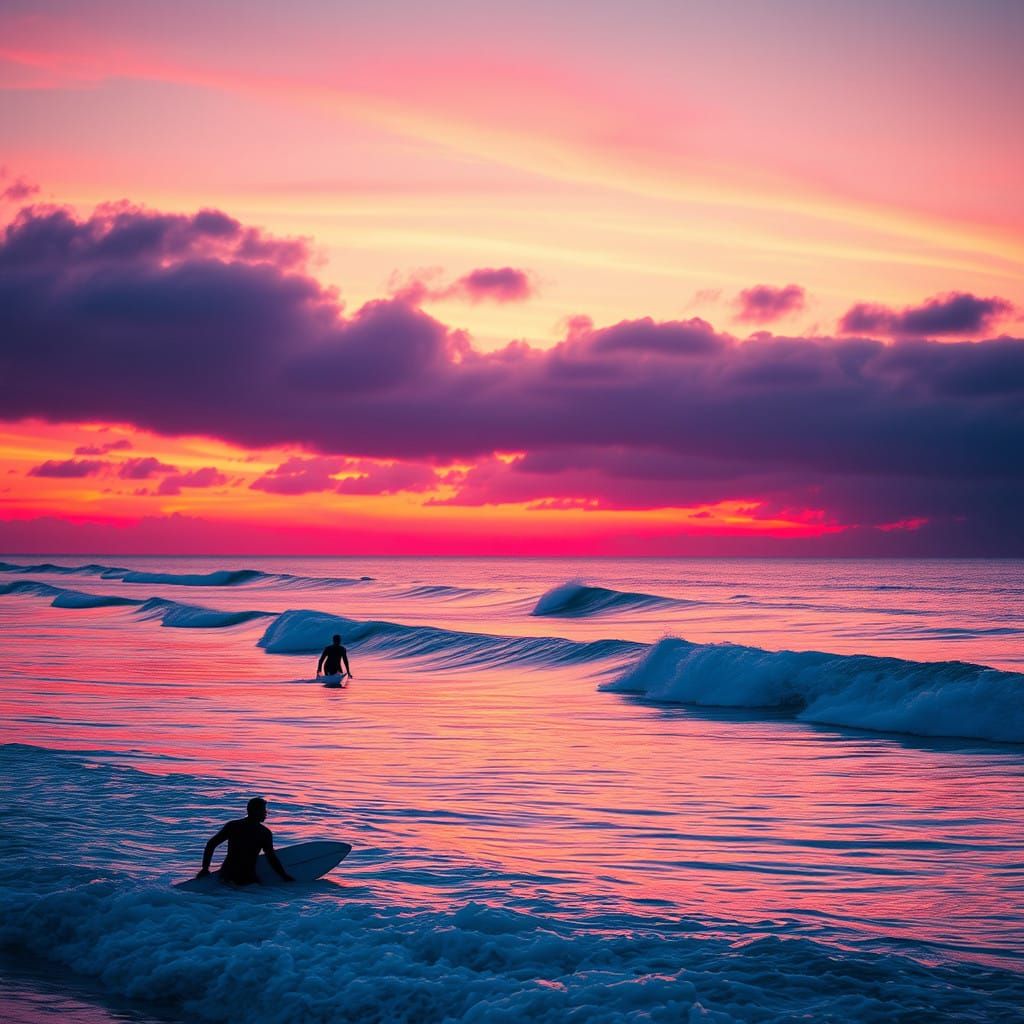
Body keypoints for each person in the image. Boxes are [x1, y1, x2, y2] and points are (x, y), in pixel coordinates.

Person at [197, 797, 294, 884]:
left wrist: (205, 868)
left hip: (227, 874)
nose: (266, 813)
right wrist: (283, 875)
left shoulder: (233, 826)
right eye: (263, 810)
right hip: (247, 878)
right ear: (255, 811)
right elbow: (271, 857)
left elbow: (211, 844)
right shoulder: (263, 832)